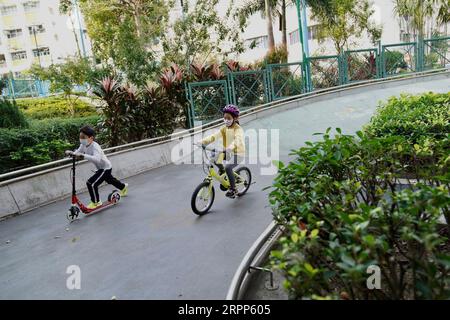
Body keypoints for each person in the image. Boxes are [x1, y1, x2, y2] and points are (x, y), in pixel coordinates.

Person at [65, 126, 128, 209]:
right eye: (80, 137)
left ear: (91, 138)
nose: (81, 139)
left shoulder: (95, 146)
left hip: (105, 168)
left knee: (91, 183)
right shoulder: (83, 145)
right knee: (110, 180)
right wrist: (71, 153)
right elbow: (77, 152)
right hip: (100, 168)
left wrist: (83, 155)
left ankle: (96, 202)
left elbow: (97, 159)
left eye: (83, 137)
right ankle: (123, 187)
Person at [201, 104, 245, 198]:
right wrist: (203, 142)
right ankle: (222, 170)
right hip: (227, 152)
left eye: (228, 118)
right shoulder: (224, 128)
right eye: (224, 118)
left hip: (238, 153)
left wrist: (230, 147)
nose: (226, 120)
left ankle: (233, 189)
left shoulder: (238, 129)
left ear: (235, 118)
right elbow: (214, 136)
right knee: (214, 158)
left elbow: (238, 140)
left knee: (228, 167)